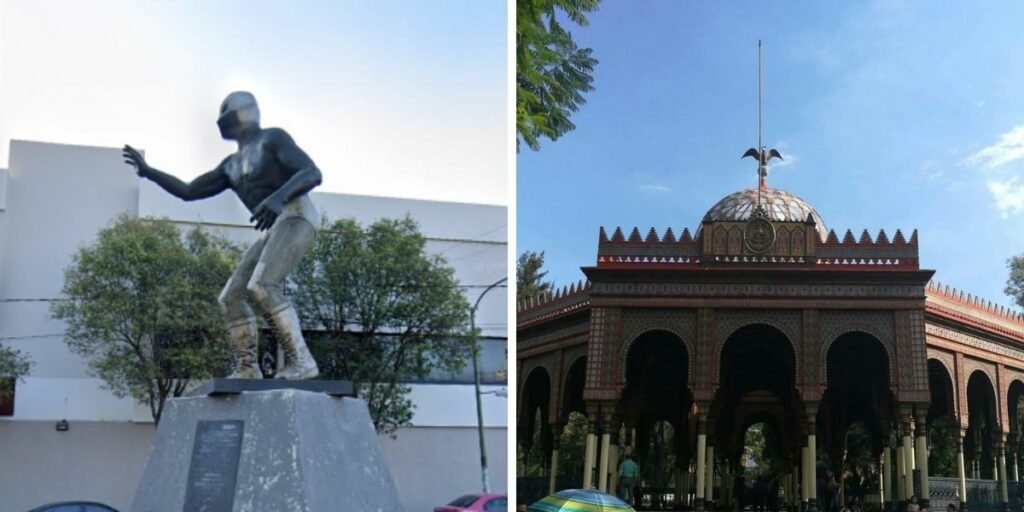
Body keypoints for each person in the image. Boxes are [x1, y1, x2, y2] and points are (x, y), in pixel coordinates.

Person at [123, 91, 322, 380]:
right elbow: (189, 191)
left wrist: (278, 197)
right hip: (277, 225)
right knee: (230, 297)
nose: (223, 123)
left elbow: (312, 173)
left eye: (228, 116)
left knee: (263, 285)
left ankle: (302, 361)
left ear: (244, 114)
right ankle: (247, 368)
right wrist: (150, 173)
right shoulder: (230, 166)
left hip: (297, 214)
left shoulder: (272, 139)